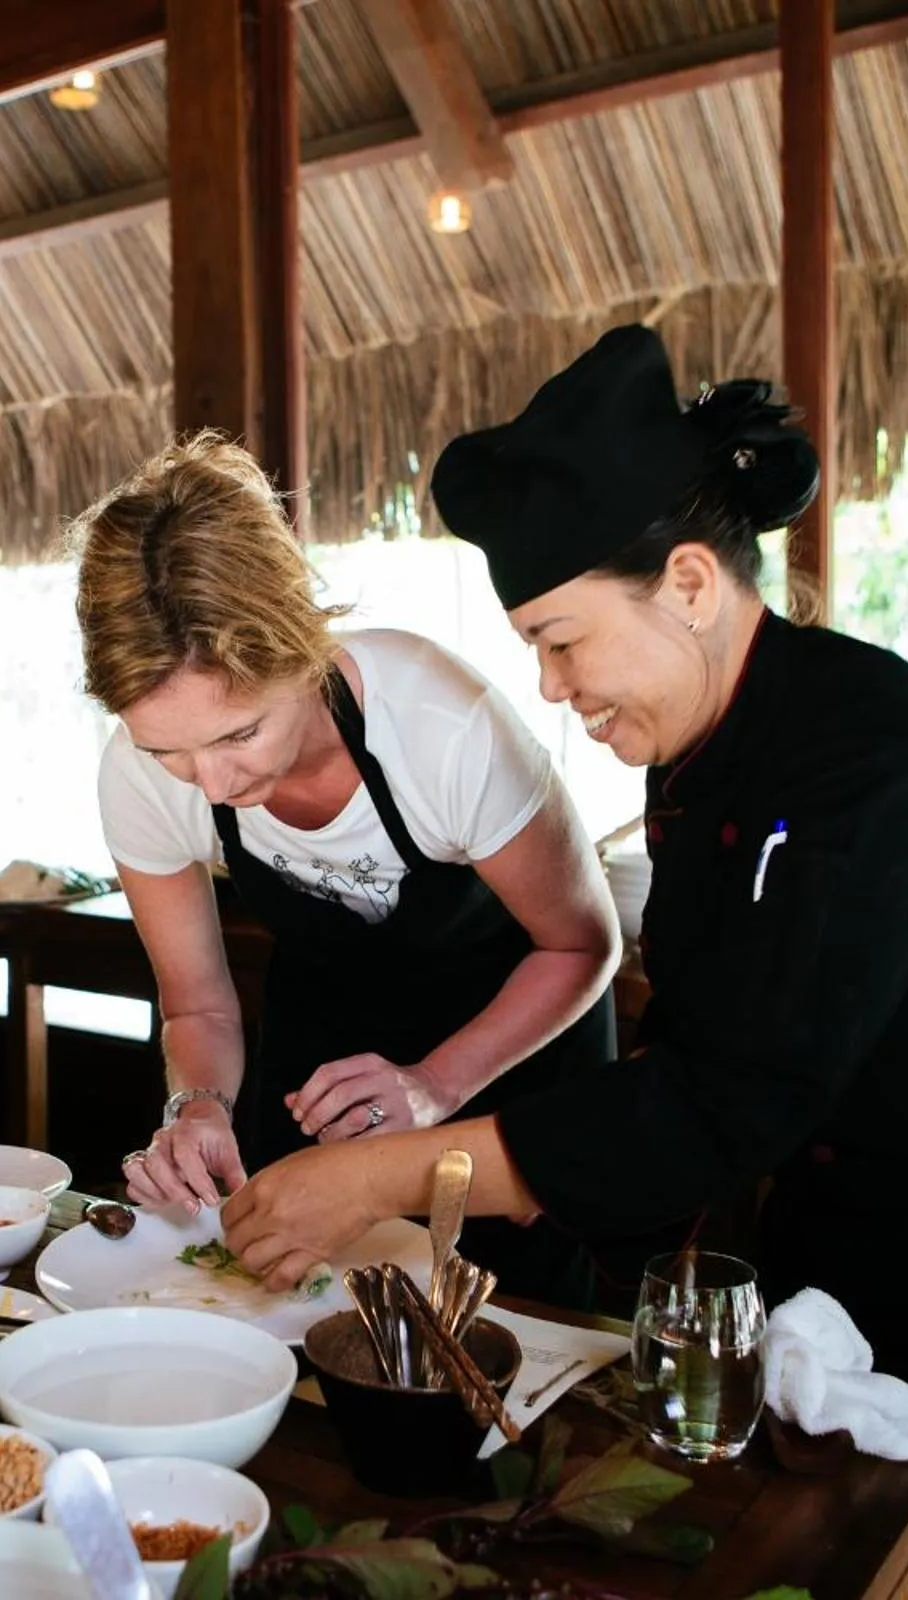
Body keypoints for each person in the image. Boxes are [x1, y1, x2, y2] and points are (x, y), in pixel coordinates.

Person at [217, 326, 908, 1596]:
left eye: (563, 639)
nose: (551, 687)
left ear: (693, 585)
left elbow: (730, 1093)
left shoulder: (870, 756)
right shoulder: (693, 754)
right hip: (889, 1226)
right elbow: (703, 1039)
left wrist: (387, 1168)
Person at [74, 434, 622, 1306]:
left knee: (513, 1335)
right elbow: (199, 1005)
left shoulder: (441, 724)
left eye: (238, 733)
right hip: (324, 1067)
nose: (216, 784)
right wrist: (199, 1105)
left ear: (304, 645)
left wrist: (434, 1082)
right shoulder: (137, 773)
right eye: (167, 750)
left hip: (505, 1058)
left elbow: (583, 948)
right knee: (300, 1321)